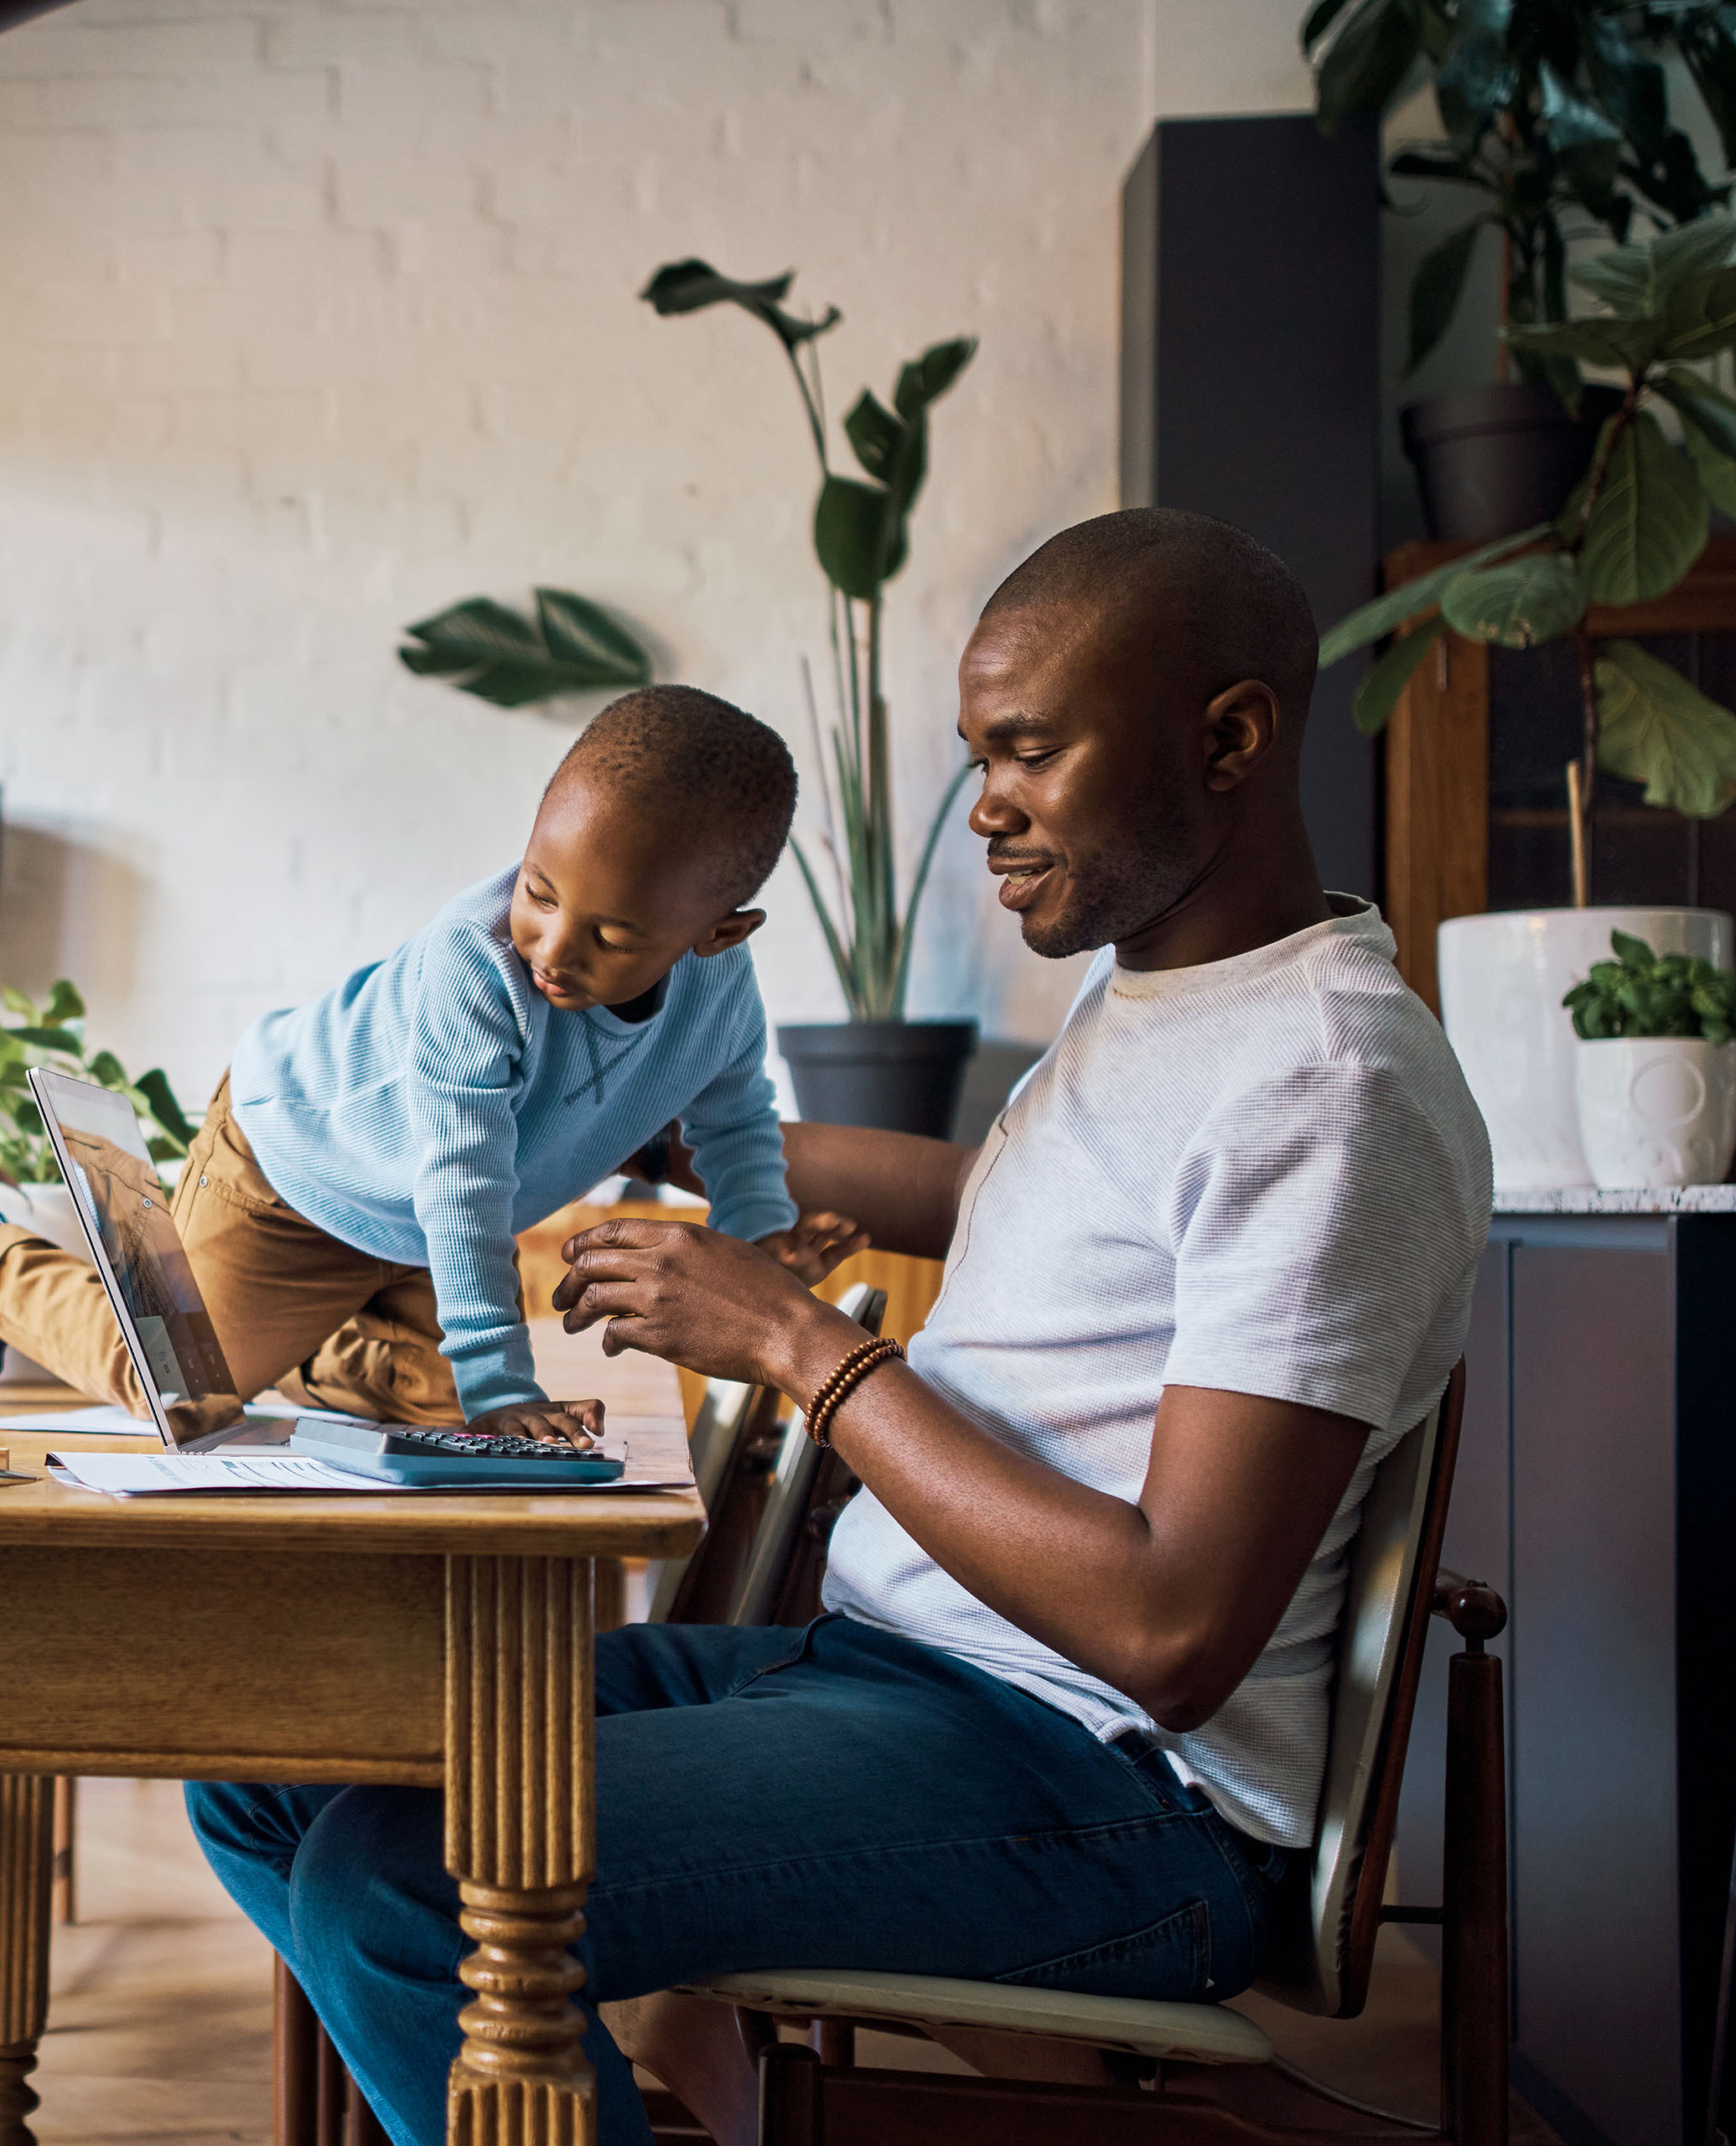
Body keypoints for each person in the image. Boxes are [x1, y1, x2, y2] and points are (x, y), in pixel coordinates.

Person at [186, 509, 1494, 2146]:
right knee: (258, 1769)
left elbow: (1174, 1627)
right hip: (890, 1676)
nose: (990, 813)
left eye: (1031, 753)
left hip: (1105, 1786)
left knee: (409, 1884)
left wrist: (804, 1345)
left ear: (1229, 736)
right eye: (979, 757)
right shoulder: (1170, 997)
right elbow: (1026, 1207)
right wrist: (653, 1125)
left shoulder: (1328, 1085)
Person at [0, 686, 865, 1441]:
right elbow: (462, 1180)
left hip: (416, 1228)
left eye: (611, 933)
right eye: (539, 888)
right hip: (293, 1168)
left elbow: (737, 1121)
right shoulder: (474, 965)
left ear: (718, 932)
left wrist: (756, 1249)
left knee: (451, 1414)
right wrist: (499, 1384)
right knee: (183, 1392)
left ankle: (300, 1344)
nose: (555, 947)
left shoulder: (721, 992)